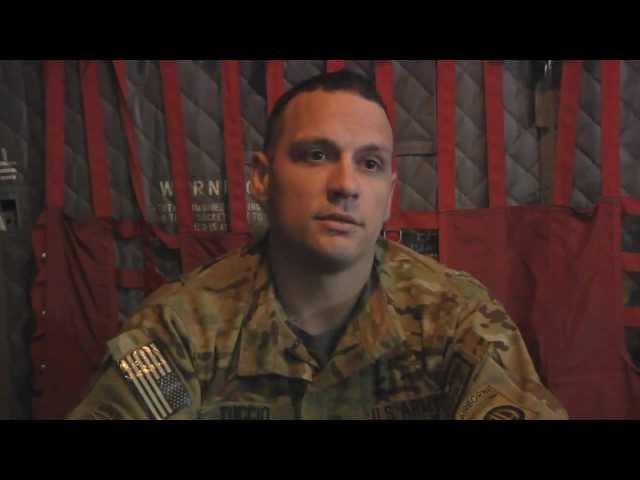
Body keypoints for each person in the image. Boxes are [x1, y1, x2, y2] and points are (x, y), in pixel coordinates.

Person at [68, 70, 567, 420]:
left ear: (390, 195)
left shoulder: (457, 319)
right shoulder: (180, 330)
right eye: (316, 155)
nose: (345, 184)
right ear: (261, 179)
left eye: (370, 164)